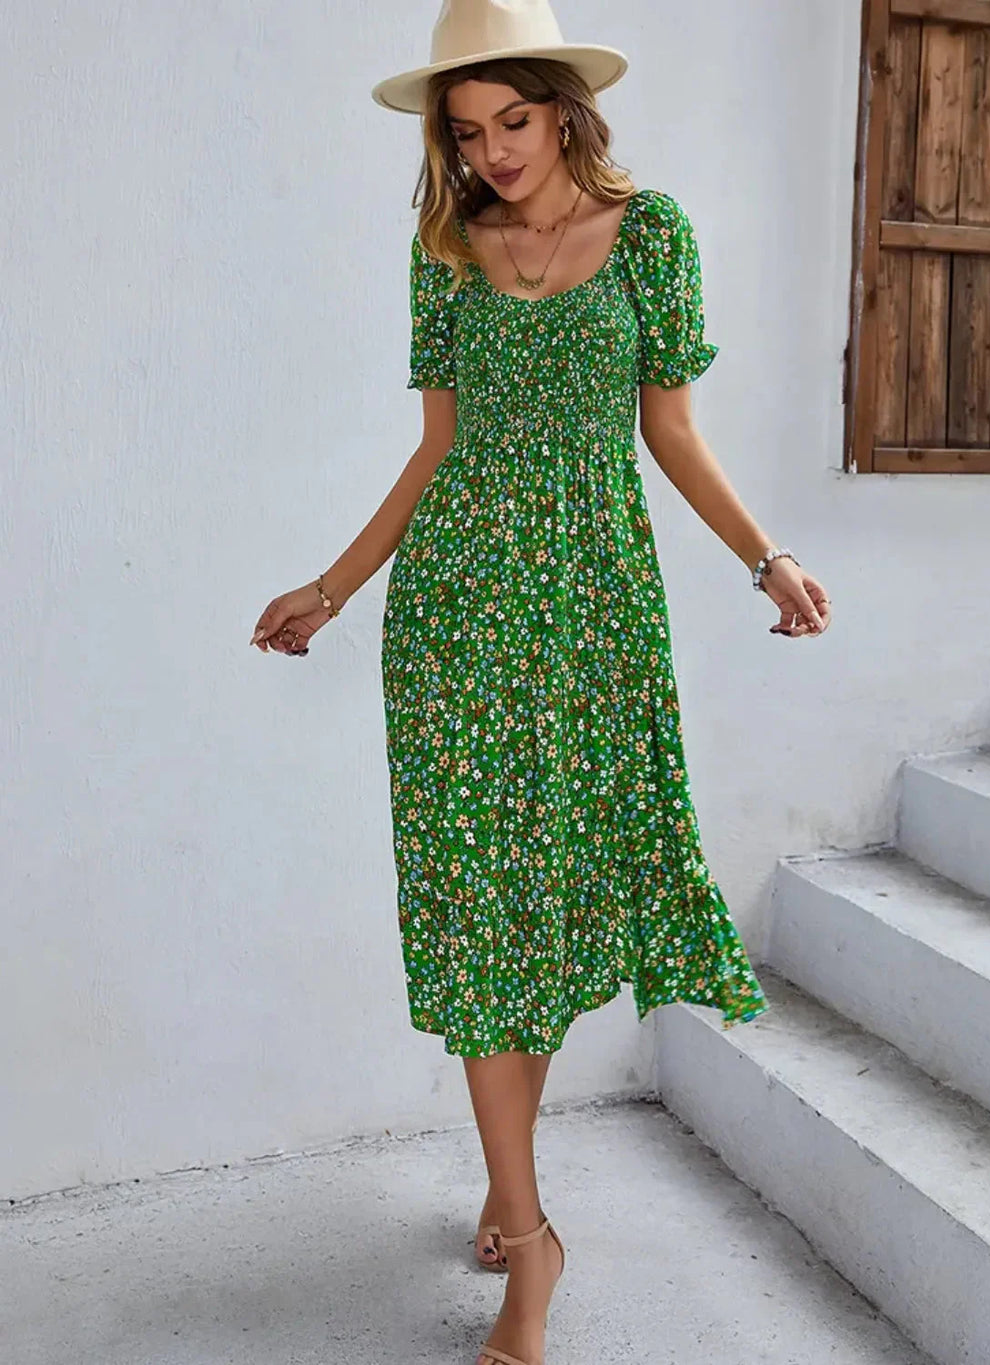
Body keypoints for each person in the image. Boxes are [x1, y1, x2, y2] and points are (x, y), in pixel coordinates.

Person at [249, 2, 832, 1361]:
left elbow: (671, 430)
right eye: (466, 132)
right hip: (456, 611)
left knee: (545, 901)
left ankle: (506, 1184)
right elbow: (434, 450)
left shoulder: (655, 235)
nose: (493, 152)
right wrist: (333, 586)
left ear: (566, 110)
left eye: (512, 121)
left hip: (592, 613)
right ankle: (529, 1232)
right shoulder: (447, 253)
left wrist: (767, 558)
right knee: (477, 906)